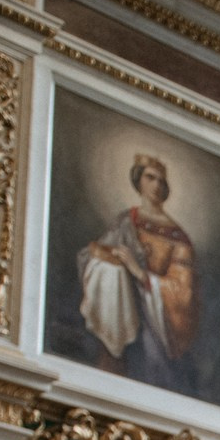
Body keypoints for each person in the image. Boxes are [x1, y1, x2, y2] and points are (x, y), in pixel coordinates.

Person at [77, 154, 199, 391]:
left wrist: (139, 273)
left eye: (161, 181)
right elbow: (92, 255)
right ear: (138, 182)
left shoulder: (178, 238)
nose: (156, 185)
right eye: (150, 178)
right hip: (119, 309)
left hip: (154, 321)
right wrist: (107, 260)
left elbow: (182, 293)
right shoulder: (126, 221)